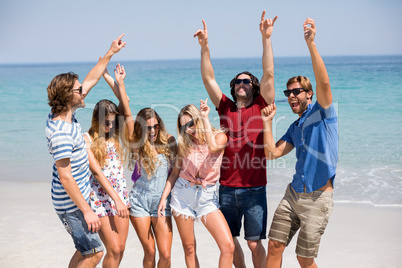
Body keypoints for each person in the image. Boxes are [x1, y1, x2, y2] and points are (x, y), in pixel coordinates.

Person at [193, 11, 277, 268]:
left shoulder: (263, 104)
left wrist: (266, 39)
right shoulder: (225, 107)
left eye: (247, 81)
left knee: (254, 243)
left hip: (254, 188)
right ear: (234, 86)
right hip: (226, 188)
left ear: (254, 86)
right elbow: (208, 78)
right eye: (238, 81)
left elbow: (269, 73)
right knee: (229, 241)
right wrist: (205, 47)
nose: (242, 83)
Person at [262, 18, 338, 268]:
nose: (292, 96)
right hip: (293, 194)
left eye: (296, 92)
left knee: (304, 259)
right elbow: (271, 153)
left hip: (317, 197)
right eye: (288, 93)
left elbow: (324, 83)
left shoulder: (323, 113)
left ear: (309, 94)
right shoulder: (294, 128)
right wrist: (267, 122)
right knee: (274, 246)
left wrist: (311, 43)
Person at [45, 34, 125, 268]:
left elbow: (90, 79)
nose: (84, 91)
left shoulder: (67, 115)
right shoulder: (61, 132)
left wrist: (110, 52)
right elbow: (65, 176)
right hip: (71, 204)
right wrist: (87, 211)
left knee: (85, 251)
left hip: (76, 200)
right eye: (79, 90)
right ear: (68, 96)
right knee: (94, 253)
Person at [158, 100, 235, 268]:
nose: (189, 130)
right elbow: (175, 173)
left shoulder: (219, 136)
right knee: (189, 248)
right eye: (184, 127)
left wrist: (205, 117)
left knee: (228, 247)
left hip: (207, 198)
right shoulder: (185, 144)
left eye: (191, 124)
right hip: (182, 195)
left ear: (199, 119)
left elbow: (213, 148)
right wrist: (164, 197)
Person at [84, 63, 131, 267]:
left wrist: (112, 78)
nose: (109, 125)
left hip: (120, 194)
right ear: (96, 118)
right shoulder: (87, 138)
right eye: (105, 121)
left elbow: (125, 102)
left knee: (120, 250)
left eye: (112, 121)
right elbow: (96, 172)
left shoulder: (114, 135)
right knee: (113, 248)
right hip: (100, 199)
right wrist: (117, 200)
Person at [128, 107, 176, 268]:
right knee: (150, 252)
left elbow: (176, 173)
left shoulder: (169, 141)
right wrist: (120, 85)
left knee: (166, 256)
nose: (153, 130)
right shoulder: (138, 144)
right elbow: (127, 114)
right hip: (139, 201)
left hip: (162, 203)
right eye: (148, 128)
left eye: (156, 126)